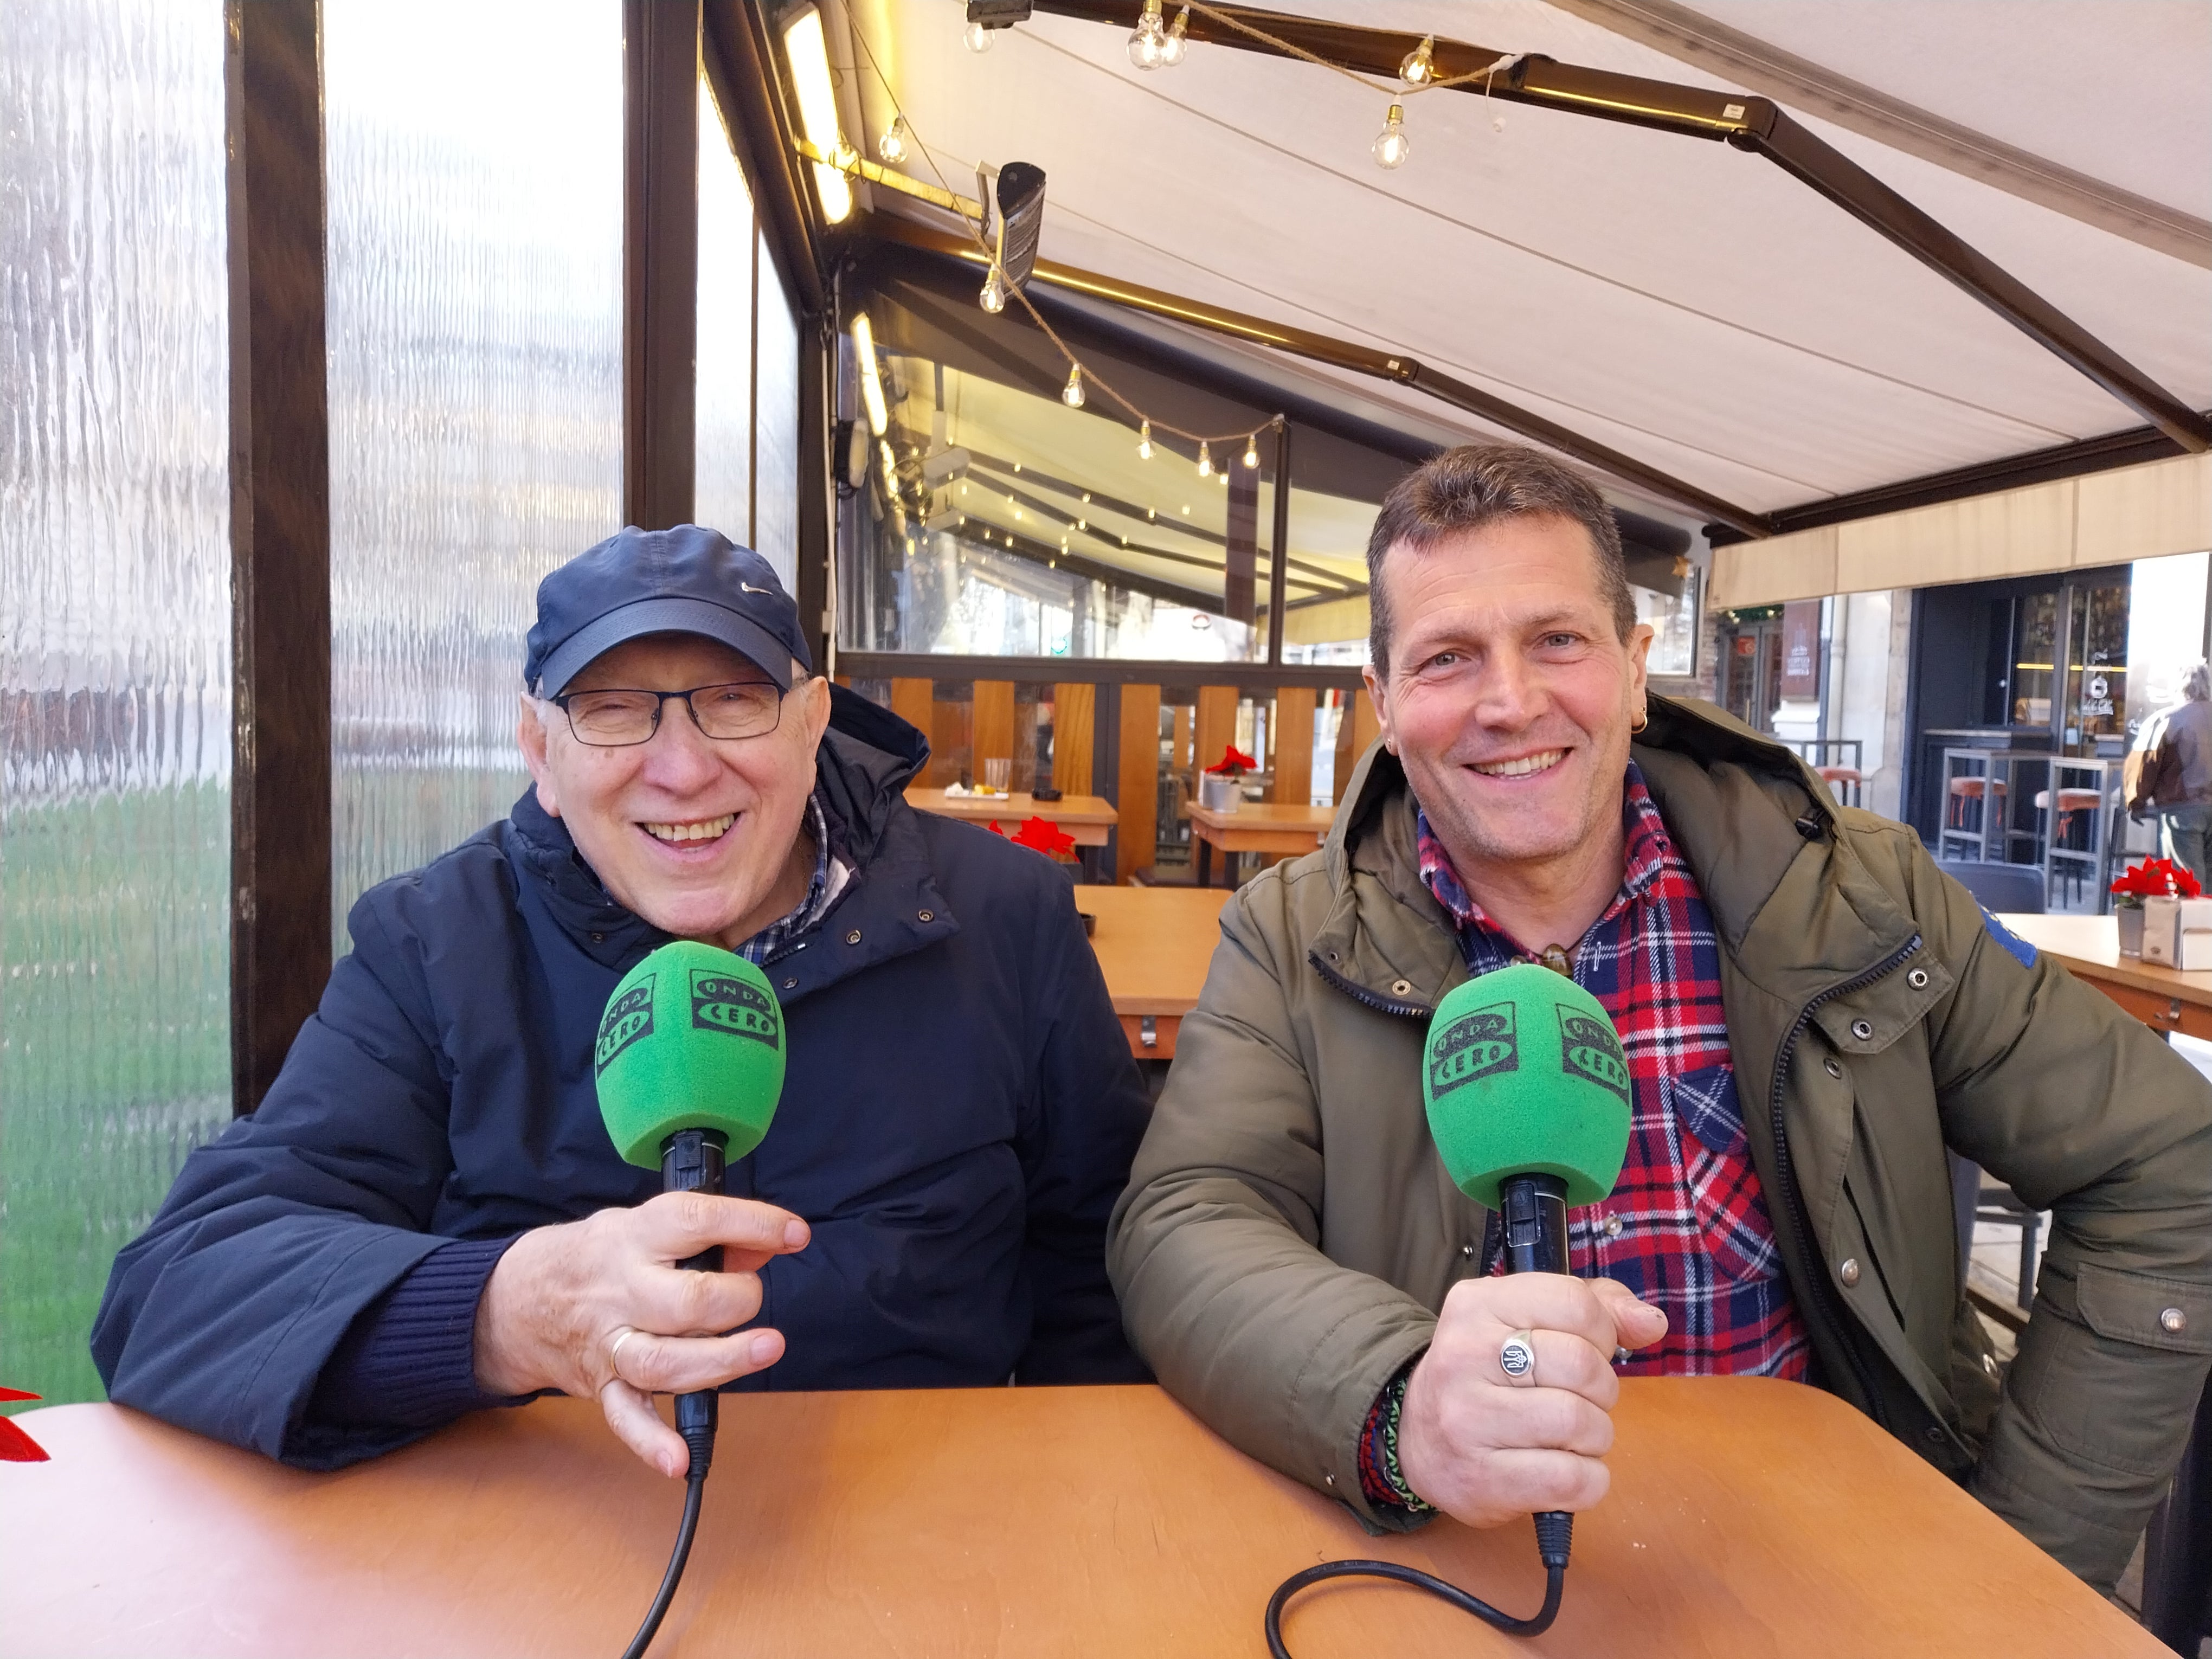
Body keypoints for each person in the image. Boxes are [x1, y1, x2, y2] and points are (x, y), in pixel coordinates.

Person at [1109, 445, 2212, 1589]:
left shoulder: (1859, 893)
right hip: (1453, 1573)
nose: (1510, 701)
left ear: (1636, 671)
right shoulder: (1292, 934)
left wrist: (2017, 1563)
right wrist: (1398, 1406)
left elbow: (2167, 1163)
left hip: (1831, 1562)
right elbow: (1185, 1220)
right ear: (1384, 708)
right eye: (1448, 658)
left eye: (1557, 640)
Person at [94, 524, 1149, 1476]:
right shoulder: (437, 942)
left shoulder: (1005, 915)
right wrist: (502, 1313)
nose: (682, 770)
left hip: (930, 1525)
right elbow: (175, 1296)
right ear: (539, 751)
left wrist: (1078, 1509)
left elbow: (1105, 1266)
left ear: (813, 719)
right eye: (611, 711)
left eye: (734, 699)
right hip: (550, 1543)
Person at [2132, 662, 2212, 893]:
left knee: (2187, 884)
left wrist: (2136, 802)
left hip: (2183, 810)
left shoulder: (2166, 720)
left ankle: (2189, 928)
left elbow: (2144, 766)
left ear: (2178, 687)